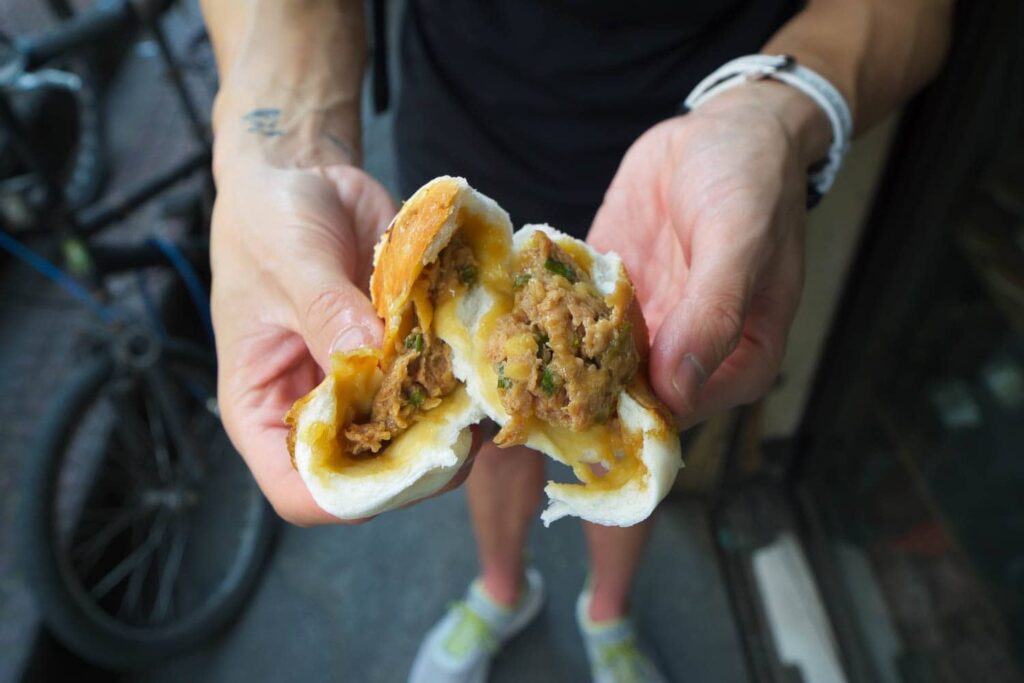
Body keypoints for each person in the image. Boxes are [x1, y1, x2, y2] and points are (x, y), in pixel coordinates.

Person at [199, 0, 953, 680]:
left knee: (647, 418)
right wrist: (277, 154)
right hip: (461, 134)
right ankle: (499, 589)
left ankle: (608, 614)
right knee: (482, 442)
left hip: (690, 178)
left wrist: (776, 117)